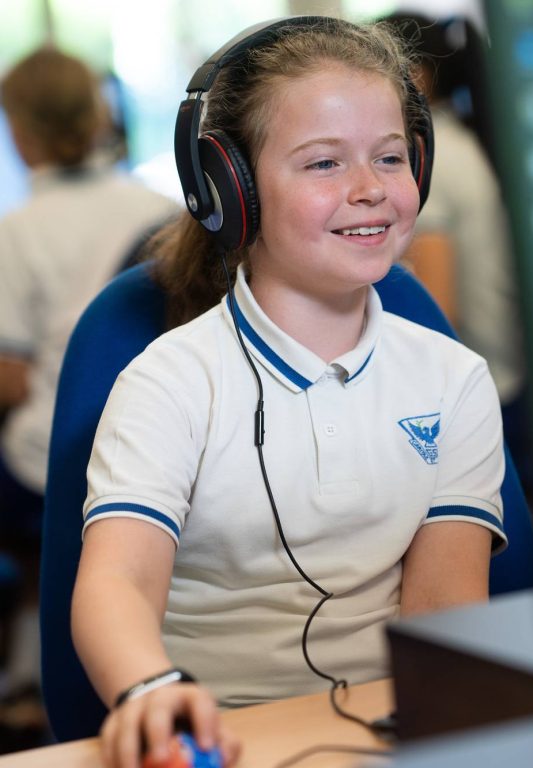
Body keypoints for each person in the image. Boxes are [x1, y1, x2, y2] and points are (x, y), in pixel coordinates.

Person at [70, 16, 507, 768]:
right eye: (323, 164)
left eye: (391, 156)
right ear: (230, 189)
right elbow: (118, 579)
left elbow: (445, 614)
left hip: (393, 731)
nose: (369, 189)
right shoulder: (170, 382)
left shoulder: (453, 380)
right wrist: (148, 687)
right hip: (219, 736)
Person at [0, 47, 178, 725]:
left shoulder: (17, 232)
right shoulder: (163, 205)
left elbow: (12, 381)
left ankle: (25, 673)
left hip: (49, 455)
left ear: (19, 132)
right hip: (160, 439)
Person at [378, 13, 533, 500]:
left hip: (491, 392)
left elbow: (438, 310)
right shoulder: (448, 140)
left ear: (417, 77)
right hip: (503, 374)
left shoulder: (429, 157)